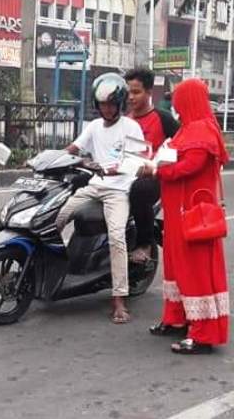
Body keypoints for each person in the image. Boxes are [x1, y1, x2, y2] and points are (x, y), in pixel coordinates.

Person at [138, 78, 230, 354]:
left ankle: (204, 333)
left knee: (196, 271)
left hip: (194, 214)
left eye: (178, 98)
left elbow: (191, 165)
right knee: (176, 266)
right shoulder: (187, 129)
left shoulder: (203, 130)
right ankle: (177, 318)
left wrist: (158, 171)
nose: (175, 104)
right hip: (178, 213)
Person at [55, 73, 144, 324]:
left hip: (118, 190)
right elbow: (72, 149)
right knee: (56, 218)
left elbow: (138, 159)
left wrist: (115, 168)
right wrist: (50, 159)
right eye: (102, 104)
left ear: (120, 103)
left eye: (111, 104)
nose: (106, 108)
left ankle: (119, 299)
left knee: (116, 237)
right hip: (95, 186)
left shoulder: (131, 127)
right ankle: (53, 271)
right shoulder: (93, 127)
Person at [124, 68, 179, 263]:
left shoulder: (163, 118)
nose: (131, 97)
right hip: (123, 175)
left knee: (140, 190)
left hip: (152, 178)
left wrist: (159, 166)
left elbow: (183, 143)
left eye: (136, 92)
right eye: (128, 92)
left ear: (149, 92)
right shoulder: (123, 120)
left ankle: (144, 244)